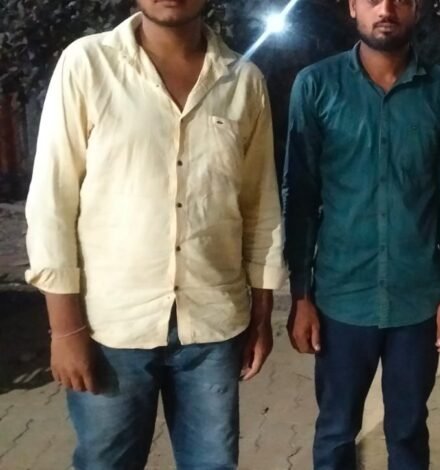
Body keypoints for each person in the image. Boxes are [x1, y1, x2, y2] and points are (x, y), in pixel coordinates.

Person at [25, 1, 285, 468]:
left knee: (213, 463)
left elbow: (260, 206)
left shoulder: (243, 81)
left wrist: (262, 316)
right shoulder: (88, 64)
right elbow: (52, 202)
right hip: (111, 327)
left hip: (212, 326)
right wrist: (65, 330)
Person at [282, 0, 440, 468]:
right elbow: (300, 196)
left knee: (408, 430)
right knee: (336, 430)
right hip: (341, 298)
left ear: (416, 9)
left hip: (417, 301)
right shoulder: (317, 86)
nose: (385, 8)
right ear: (353, 7)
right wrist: (301, 296)